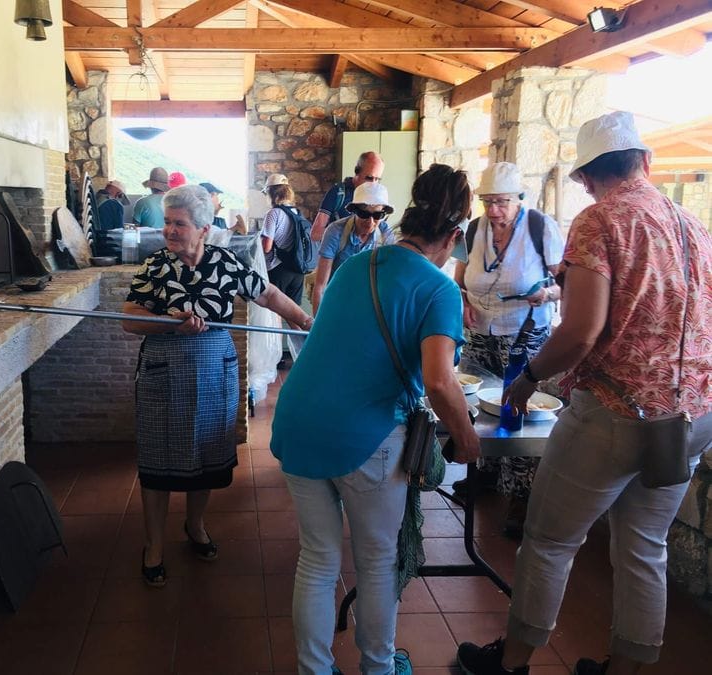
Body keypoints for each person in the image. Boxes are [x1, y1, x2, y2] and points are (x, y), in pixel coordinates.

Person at [456, 111, 712, 675]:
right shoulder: (694, 226)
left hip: (616, 411)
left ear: (586, 178)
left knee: (549, 542)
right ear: (645, 162)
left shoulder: (600, 221)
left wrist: (525, 383)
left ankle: (512, 662)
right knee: (646, 548)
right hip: (690, 416)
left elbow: (579, 332)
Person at [271, 164, 481, 675]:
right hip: (364, 435)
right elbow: (439, 380)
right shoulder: (439, 290)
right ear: (454, 236)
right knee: (377, 562)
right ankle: (379, 668)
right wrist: (468, 441)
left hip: (297, 419)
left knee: (317, 560)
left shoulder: (354, 265)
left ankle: (315, 670)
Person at [122, 184, 313, 588]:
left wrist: (306, 322)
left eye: (180, 224)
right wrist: (169, 323)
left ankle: (195, 526)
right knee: (157, 461)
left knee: (205, 453)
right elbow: (128, 318)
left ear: (204, 229)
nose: (170, 231)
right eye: (168, 223)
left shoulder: (226, 263)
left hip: (213, 370)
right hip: (163, 370)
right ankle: (153, 545)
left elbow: (269, 294)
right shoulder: (155, 265)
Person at [452, 161, 564, 537]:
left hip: (524, 331)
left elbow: (566, 283)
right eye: (488, 202)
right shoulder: (473, 229)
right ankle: (483, 474)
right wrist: (464, 301)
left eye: (501, 202)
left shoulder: (540, 228)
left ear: (519, 199)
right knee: (477, 407)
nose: (494, 210)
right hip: (481, 329)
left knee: (518, 411)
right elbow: (460, 276)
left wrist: (545, 293)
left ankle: (521, 495)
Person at [310, 181, 396, 316]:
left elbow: (390, 283)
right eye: (364, 214)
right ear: (354, 210)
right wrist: (318, 325)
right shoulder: (335, 232)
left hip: (368, 306)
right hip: (337, 300)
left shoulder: (386, 236)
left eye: (377, 215)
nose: (370, 222)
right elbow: (321, 286)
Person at [310, 151, 384, 242]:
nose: (373, 184)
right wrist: (347, 232)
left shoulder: (379, 196)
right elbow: (315, 234)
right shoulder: (338, 193)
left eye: (377, 179)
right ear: (357, 171)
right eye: (369, 178)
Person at [260, 174, 304, 305]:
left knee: (276, 311)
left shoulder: (273, 213)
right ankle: (304, 327)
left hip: (278, 268)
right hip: (297, 269)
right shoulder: (296, 212)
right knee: (294, 312)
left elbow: (266, 247)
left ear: (270, 193)